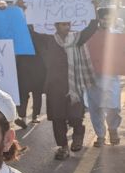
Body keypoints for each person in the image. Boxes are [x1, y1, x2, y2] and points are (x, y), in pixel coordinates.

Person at [31, 18, 98, 159]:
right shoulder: (48, 40)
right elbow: (32, 31)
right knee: (57, 118)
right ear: (56, 25)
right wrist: (27, 12)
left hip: (74, 86)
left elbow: (91, 28)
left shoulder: (77, 39)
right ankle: (63, 147)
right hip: (54, 87)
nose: (67, 27)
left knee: (75, 116)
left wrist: (94, 9)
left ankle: (78, 135)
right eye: (63, 24)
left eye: (68, 24)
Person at [87, 7, 122, 146]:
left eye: (109, 18)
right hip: (93, 77)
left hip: (111, 77)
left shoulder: (118, 35)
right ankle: (100, 135)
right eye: (103, 18)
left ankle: (113, 129)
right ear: (99, 19)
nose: (106, 20)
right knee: (95, 107)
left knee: (114, 106)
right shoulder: (89, 35)